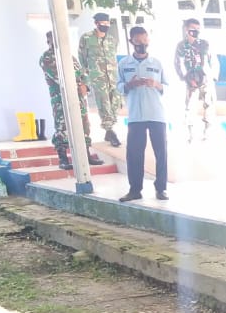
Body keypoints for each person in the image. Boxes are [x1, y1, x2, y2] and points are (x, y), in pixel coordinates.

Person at [39, 32, 105, 172]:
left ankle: (86, 155)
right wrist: (79, 84)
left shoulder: (70, 57)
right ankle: (63, 158)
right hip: (61, 100)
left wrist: (85, 85)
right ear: (48, 41)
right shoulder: (46, 58)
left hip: (78, 99)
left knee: (84, 126)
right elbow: (60, 77)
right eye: (52, 40)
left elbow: (82, 73)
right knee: (62, 128)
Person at [117, 25, 169, 202]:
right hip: (135, 115)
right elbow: (118, 86)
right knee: (134, 154)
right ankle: (135, 190)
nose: (142, 44)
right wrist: (128, 85)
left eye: (145, 41)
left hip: (156, 114)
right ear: (131, 42)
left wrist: (156, 84)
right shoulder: (124, 64)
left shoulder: (157, 63)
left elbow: (168, 87)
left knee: (161, 153)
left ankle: (161, 188)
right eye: (138, 41)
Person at [78, 12, 122, 146]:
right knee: (104, 103)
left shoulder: (112, 39)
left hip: (113, 77)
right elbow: (82, 59)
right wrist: (85, 79)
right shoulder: (86, 38)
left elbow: (113, 56)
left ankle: (109, 128)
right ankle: (110, 130)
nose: (106, 26)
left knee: (115, 103)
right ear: (96, 23)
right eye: (103, 23)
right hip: (98, 77)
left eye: (107, 23)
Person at [174, 18, 216, 142]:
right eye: (193, 29)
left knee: (209, 104)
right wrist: (185, 78)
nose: (196, 31)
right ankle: (190, 134)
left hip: (205, 79)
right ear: (186, 29)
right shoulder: (181, 46)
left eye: (198, 29)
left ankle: (207, 132)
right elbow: (177, 63)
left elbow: (213, 60)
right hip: (190, 81)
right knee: (189, 106)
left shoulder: (205, 44)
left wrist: (212, 76)